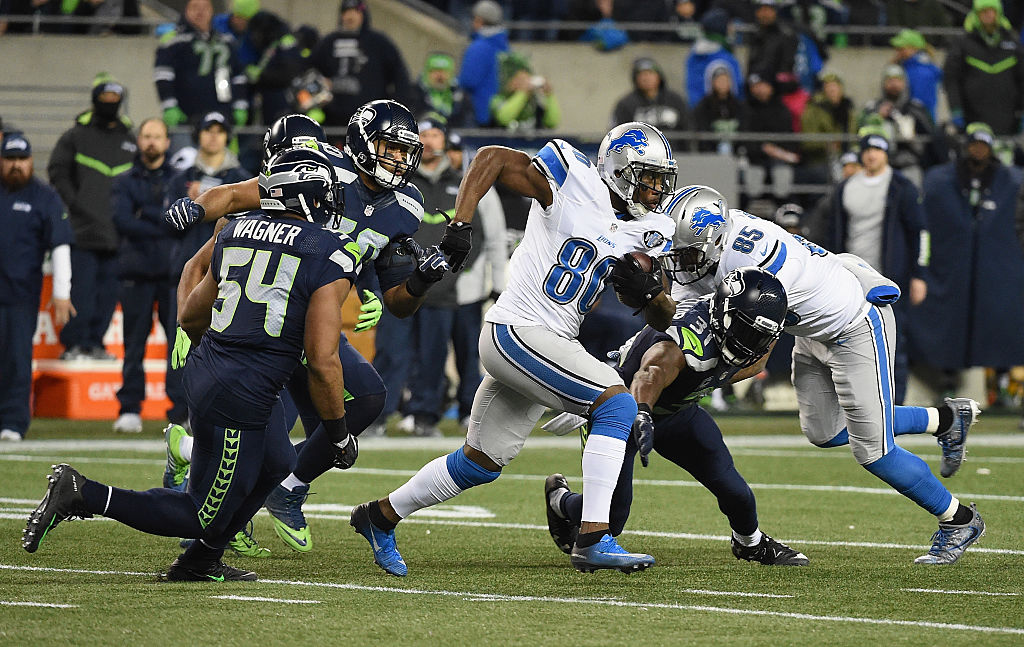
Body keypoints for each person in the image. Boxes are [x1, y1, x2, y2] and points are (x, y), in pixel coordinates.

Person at [349, 122, 679, 576]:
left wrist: (649, 293)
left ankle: (379, 517)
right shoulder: (574, 179)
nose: (658, 188)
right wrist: (461, 223)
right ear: (620, 169)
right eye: (649, 176)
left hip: (550, 340)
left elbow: (662, 315)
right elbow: (492, 157)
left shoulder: (651, 227)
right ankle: (593, 536)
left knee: (480, 462)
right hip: (519, 328)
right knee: (618, 406)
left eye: (663, 178)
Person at [22, 147, 360, 583]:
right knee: (200, 513)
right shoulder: (329, 254)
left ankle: (200, 562)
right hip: (241, 391)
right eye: (326, 199)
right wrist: (337, 433)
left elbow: (191, 315)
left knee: (276, 464)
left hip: (213, 370)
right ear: (309, 202)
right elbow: (321, 359)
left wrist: (218, 359)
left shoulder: (235, 232)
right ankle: (83, 493)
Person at [163, 104, 437, 553]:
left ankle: (286, 489)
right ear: (364, 142)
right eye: (390, 149)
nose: (399, 161)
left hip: (315, 314)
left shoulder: (408, 205)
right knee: (268, 441)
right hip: (274, 316)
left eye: (406, 152)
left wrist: (387, 285)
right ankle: (210, 511)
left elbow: (377, 268)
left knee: (367, 397)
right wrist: (195, 209)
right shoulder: (319, 168)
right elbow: (234, 199)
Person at [663, 184, 986, 565]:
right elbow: (681, 322)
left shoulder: (753, 268)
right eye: (675, 253)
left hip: (855, 325)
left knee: (874, 451)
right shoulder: (714, 242)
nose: (679, 263)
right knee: (825, 432)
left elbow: (754, 360)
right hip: (812, 325)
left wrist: (691, 383)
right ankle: (947, 419)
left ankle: (959, 519)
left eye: (686, 254)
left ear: (715, 240)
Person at [544, 267, 808, 565]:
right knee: (612, 518)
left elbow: (750, 361)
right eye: (747, 331)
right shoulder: (687, 336)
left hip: (677, 412)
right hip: (624, 411)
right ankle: (561, 501)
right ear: (725, 315)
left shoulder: (742, 332)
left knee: (737, 492)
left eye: (759, 337)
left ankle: (751, 544)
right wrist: (642, 413)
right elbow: (650, 373)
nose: (751, 343)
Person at [367, 115, 502, 437]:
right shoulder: (395, 185)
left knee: (434, 356)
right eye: (422, 135)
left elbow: (492, 237)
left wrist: (492, 283)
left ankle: (425, 417)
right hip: (395, 284)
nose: (429, 141)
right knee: (391, 352)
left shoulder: (470, 183)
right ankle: (376, 418)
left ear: (445, 139)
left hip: (445, 288)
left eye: (435, 134)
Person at [911, 123, 1024, 392]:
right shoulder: (940, 180)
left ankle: (1003, 380)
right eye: (974, 144)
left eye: (984, 145)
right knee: (949, 317)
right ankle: (948, 377)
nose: (978, 150)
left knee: (1001, 319)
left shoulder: (1012, 181)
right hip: (952, 263)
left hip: (997, 264)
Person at [827, 130, 928, 404]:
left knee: (896, 343)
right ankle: (853, 404)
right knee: (846, 341)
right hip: (851, 279)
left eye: (878, 149)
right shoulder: (846, 187)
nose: (872, 154)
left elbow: (921, 233)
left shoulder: (901, 187)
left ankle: (895, 406)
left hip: (890, 278)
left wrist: (920, 274)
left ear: (886, 154)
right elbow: (835, 233)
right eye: (868, 149)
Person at [48, 74, 135, 361]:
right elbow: (57, 170)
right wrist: (74, 203)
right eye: (104, 98)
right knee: (81, 293)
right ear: (95, 100)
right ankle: (73, 344)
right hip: (83, 230)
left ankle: (96, 343)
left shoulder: (129, 138)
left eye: (115, 99)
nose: (110, 103)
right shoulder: (75, 135)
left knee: (108, 295)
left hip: (118, 233)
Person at [0, 134, 73, 442]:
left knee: (17, 358)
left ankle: (13, 423)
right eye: (10, 159)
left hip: (20, 295)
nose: (16, 165)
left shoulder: (45, 197)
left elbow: (60, 245)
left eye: (22, 159)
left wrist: (61, 292)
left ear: (31, 161)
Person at [110, 118, 180, 434]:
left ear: (167, 142)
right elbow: (123, 221)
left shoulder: (180, 180)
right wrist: (163, 219)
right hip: (135, 274)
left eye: (157, 136)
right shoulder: (124, 180)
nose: (151, 142)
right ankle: (129, 408)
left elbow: (183, 221)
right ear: (139, 141)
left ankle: (181, 410)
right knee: (133, 344)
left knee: (179, 347)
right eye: (147, 136)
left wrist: (146, 214)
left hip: (171, 275)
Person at [309, 0, 411, 127]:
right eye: (346, 12)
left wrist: (395, 111)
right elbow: (308, 71)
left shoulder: (379, 43)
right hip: (331, 119)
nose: (350, 16)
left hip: (371, 119)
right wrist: (320, 84)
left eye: (356, 11)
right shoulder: (328, 43)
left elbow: (400, 77)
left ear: (364, 15)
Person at [155, 0, 249, 137]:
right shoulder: (173, 40)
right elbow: (163, 75)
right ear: (186, 10)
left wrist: (240, 105)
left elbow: (238, 76)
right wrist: (169, 104)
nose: (200, 12)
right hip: (185, 116)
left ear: (212, 10)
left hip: (222, 116)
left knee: (223, 157)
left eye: (205, 7)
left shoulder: (226, 41)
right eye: (195, 7)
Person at [944, 0, 1024, 135]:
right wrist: (956, 109)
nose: (988, 15)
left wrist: (1022, 110)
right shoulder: (963, 43)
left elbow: (1022, 79)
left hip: (1007, 118)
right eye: (983, 11)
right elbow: (951, 79)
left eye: (992, 11)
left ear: (998, 13)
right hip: (972, 117)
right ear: (976, 14)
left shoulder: (1012, 42)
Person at [612, 58, 691, 153]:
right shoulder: (625, 104)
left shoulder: (676, 100)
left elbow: (688, 129)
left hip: (675, 157)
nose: (646, 78)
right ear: (635, 79)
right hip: (640, 159)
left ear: (659, 76)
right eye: (641, 74)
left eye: (650, 73)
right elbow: (619, 134)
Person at [799, 72, 857, 186]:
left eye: (835, 86)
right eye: (829, 87)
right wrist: (827, 144)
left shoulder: (848, 110)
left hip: (846, 156)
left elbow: (854, 135)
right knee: (823, 175)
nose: (832, 90)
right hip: (820, 159)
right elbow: (808, 141)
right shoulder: (813, 110)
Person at [458, 0, 509, 127]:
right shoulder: (505, 47)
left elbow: (468, 80)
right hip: (499, 113)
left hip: (478, 114)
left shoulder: (478, 47)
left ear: (479, 20)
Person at [685, 8, 743, 109]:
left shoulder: (694, 54)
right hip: (719, 113)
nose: (732, 28)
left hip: (699, 111)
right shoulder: (724, 56)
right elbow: (736, 87)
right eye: (729, 24)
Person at [489, 51, 560, 131]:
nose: (524, 82)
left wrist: (549, 95)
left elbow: (552, 123)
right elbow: (504, 118)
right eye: (520, 80)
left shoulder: (532, 103)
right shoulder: (497, 99)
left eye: (526, 78)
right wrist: (523, 93)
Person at [890, 28, 943, 121]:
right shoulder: (907, 67)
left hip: (920, 124)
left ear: (913, 48)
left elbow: (918, 106)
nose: (898, 52)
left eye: (901, 48)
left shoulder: (922, 72)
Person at [409, 52, 473, 128]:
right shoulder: (413, 94)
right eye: (435, 71)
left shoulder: (461, 95)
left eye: (444, 71)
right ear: (426, 72)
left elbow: (469, 123)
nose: (440, 76)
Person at [693, 67, 745, 155]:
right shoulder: (704, 105)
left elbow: (743, 126)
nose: (723, 84)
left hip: (735, 150)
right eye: (719, 80)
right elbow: (702, 128)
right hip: (711, 150)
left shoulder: (738, 104)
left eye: (725, 80)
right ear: (713, 83)